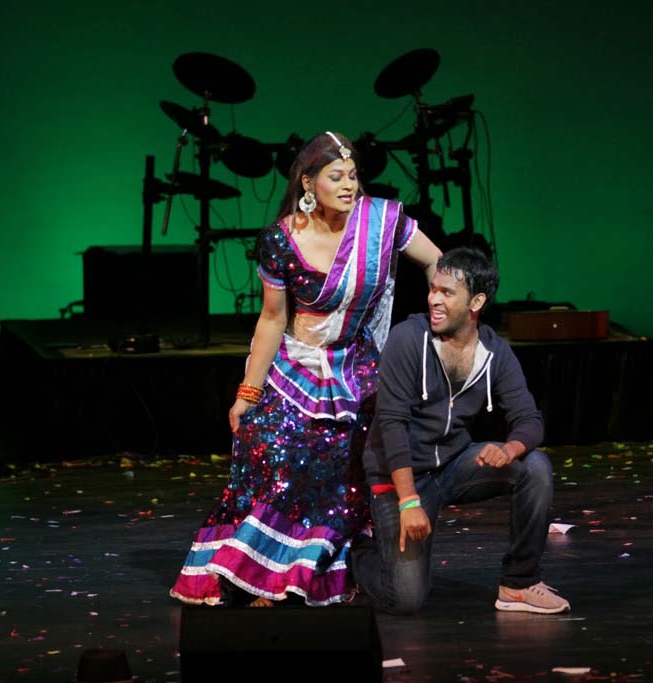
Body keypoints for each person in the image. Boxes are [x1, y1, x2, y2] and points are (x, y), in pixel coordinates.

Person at [170, 131, 442, 607]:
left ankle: (317, 568)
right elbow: (272, 319)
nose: (349, 185)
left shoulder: (381, 222)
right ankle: (263, 573)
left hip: (357, 370)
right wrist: (248, 392)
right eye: (336, 177)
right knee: (273, 448)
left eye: (353, 175)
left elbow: (438, 263)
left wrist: (436, 329)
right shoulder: (281, 240)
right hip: (297, 368)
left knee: (352, 461)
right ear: (308, 183)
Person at [351, 247, 570, 615]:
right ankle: (356, 552)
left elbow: (530, 420)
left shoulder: (494, 352)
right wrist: (409, 501)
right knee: (404, 599)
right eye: (433, 289)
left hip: (452, 465)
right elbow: (392, 423)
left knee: (534, 467)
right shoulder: (408, 338)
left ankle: (518, 584)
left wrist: (510, 449)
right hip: (399, 477)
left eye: (447, 293)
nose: (434, 299)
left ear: (476, 302)